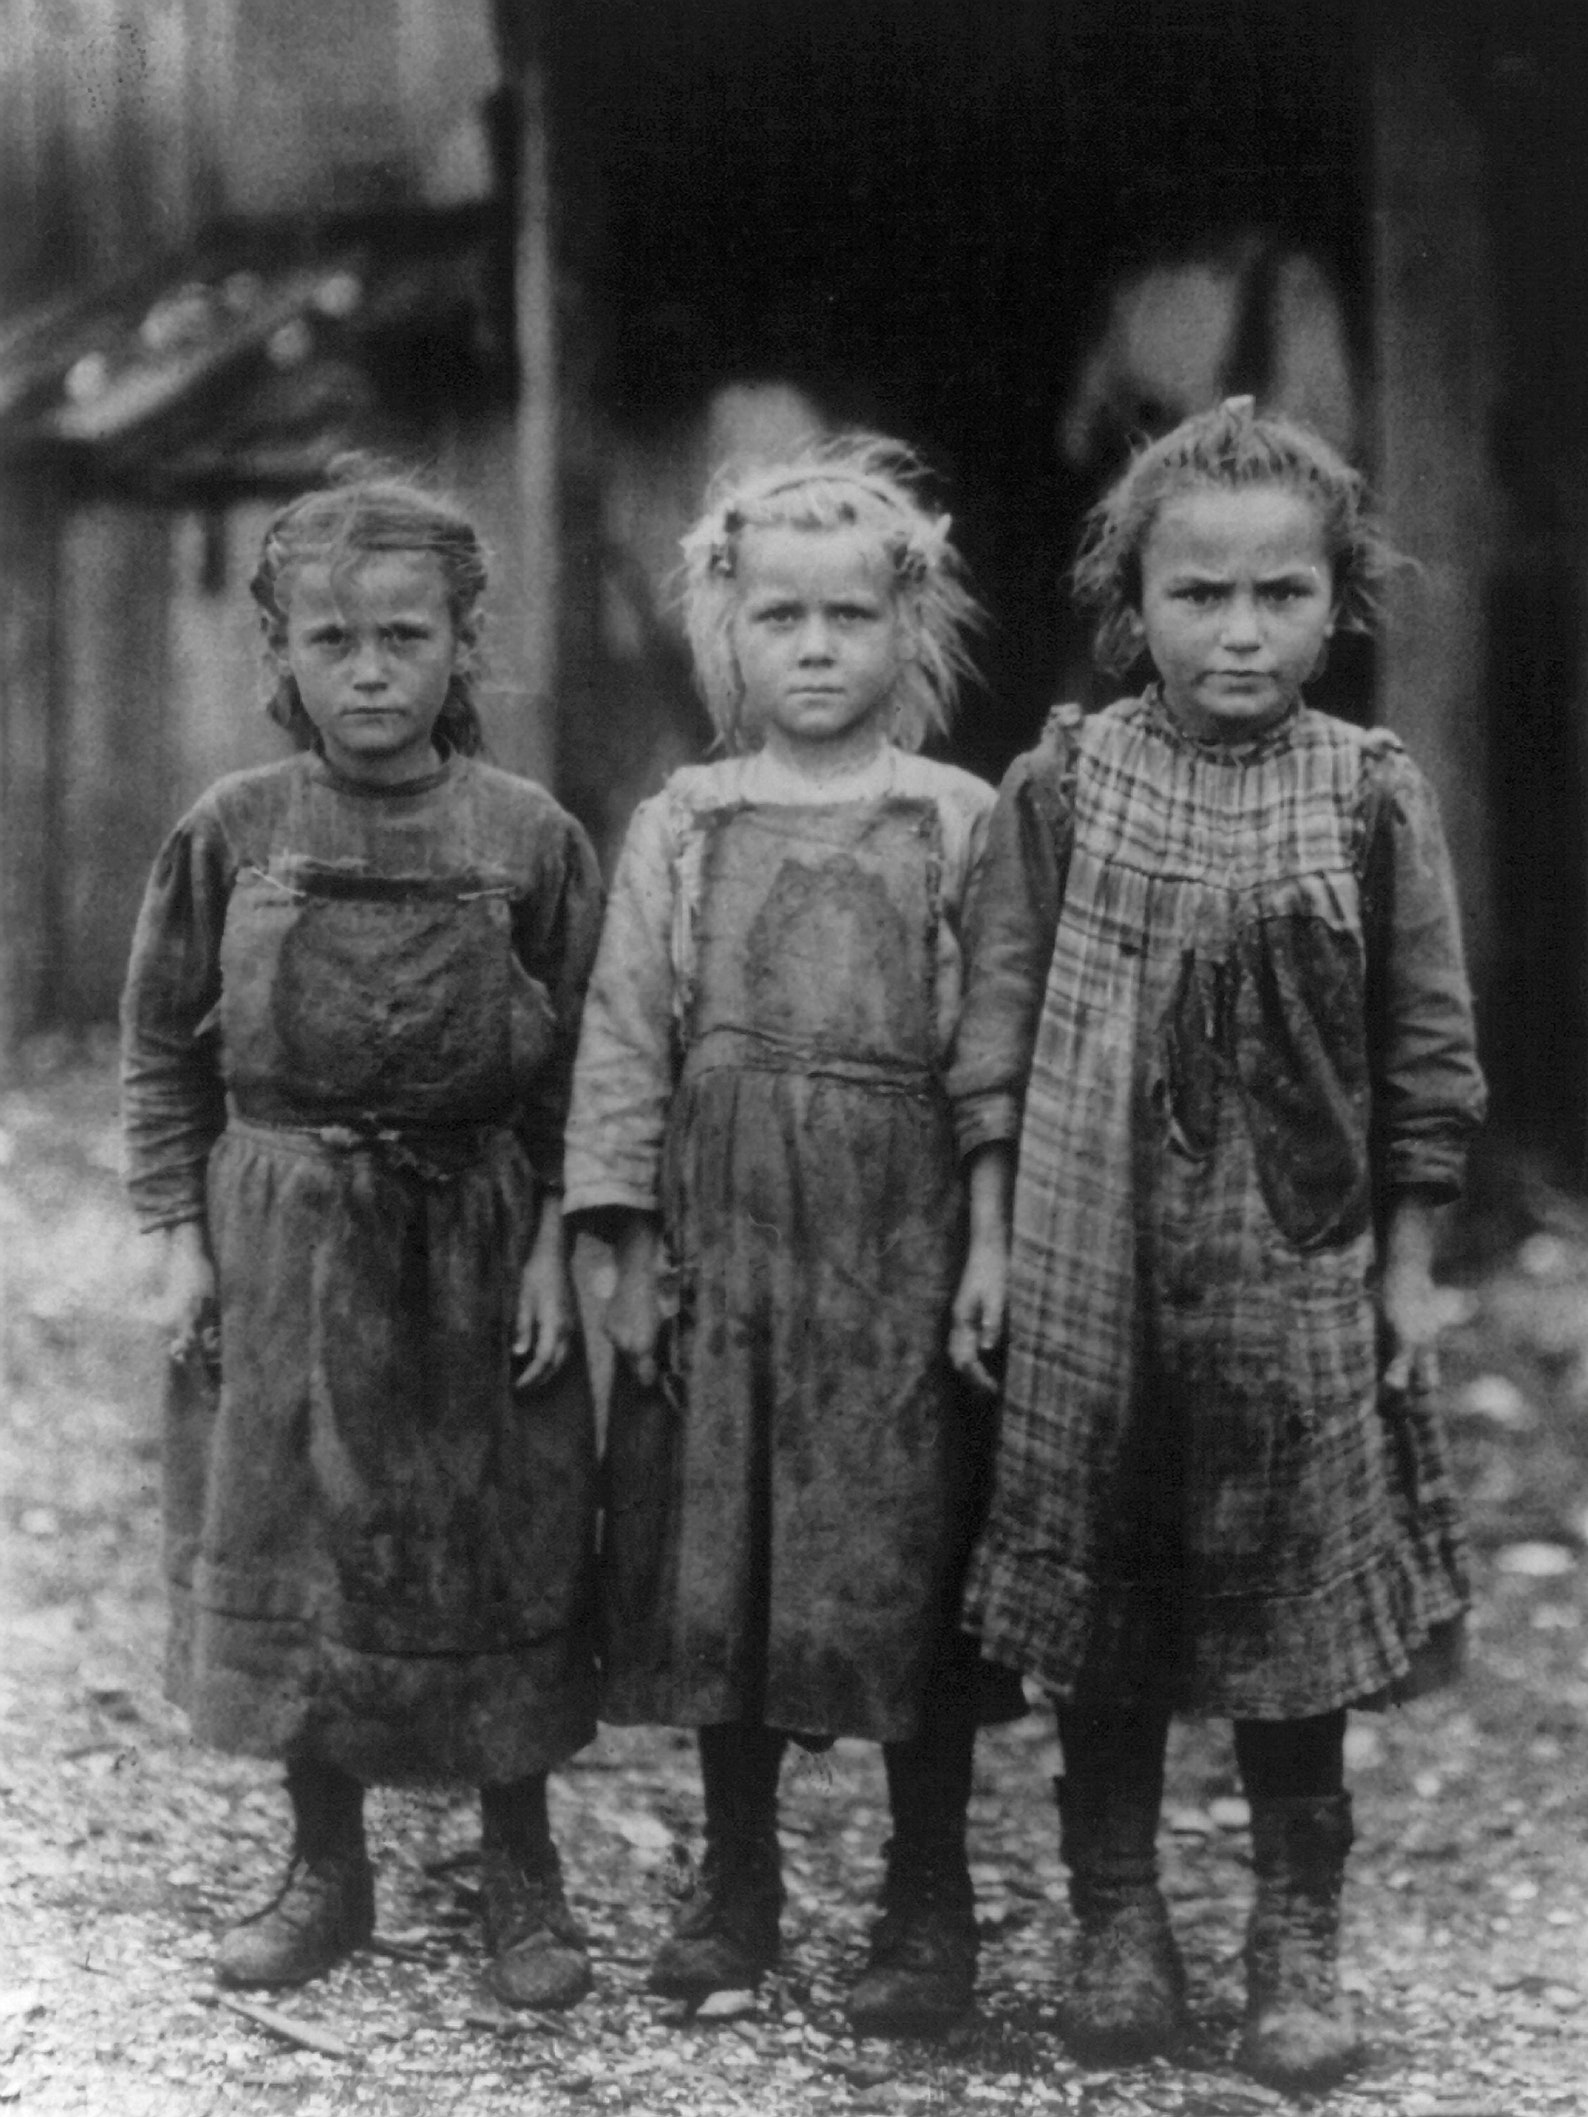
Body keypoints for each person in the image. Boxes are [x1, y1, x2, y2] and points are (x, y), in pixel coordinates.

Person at [948, 398, 1486, 2091]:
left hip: (1296, 1271)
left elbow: (1427, 1049)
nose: (1239, 631)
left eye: (1280, 595)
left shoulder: (1371, 794)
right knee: (1102, 1589)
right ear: (1134, 603)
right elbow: (997, 1021)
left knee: (1287, 1612)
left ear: (1338, 605)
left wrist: (1406, 1266)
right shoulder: (1068, 778)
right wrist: (987, 1239)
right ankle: (1117, 1915)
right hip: (1090, 1257)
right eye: (1200, 597)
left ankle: (1290, 1939)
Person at [120, 464, 604, 2011]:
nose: (373, 670)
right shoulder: (231, 828)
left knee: (494, 1536)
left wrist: (554, 1251)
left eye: (407, 634)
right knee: (301, 1538)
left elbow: (587, 1064)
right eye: (334, 641)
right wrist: (181, 1238)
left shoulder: (528, 836)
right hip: (284, 1239)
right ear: (282, 655)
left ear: (468, 642)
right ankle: (325, 1866)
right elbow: (162, 1053)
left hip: (476, 1235)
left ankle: (519, 1870)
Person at [563, 436, 1026, 2036]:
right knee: (724, 1552)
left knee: (909, 1552)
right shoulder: (683, 823)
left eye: (847, 616)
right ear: (727, 631)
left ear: (911, 629)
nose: (815, 648)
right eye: (781, 619)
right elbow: (625, 1035)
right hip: (728, 1245)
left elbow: (993, 1059)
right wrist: (615, 1236)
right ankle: (737, 1873)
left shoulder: (958, 819)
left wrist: (989, 1238)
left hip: (894, 1252)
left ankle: (927, 1889)